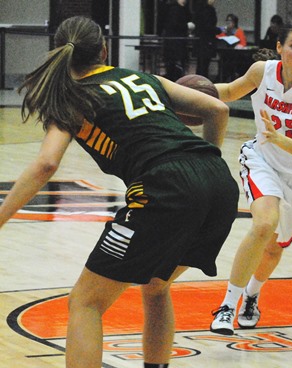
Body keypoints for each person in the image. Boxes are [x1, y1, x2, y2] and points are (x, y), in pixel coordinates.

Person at [0, 16, 239, 368]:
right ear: (104, 49)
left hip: (164, 186)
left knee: (85, 302)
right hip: (219, 183)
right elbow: (217, 109)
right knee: (156, 285)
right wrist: (205, 162)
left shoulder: (69, 97)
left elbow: (46, 165)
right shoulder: (143, 78)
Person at [209, 18, 292, 335]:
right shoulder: (262, 72)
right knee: (263, 224)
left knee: (275, 248)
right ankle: (227, 307)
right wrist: (179, 93)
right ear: (279, 48)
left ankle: (251, 294)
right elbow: (228, 91)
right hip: (262, 159)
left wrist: (281, 139)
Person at [160, 0, 192, 81]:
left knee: (172, 65)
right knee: (175, 65)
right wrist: (186, 26)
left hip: (173, 43)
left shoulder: (172, 8)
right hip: (176, 43)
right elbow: (175, 25)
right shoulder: (176, 9)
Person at [193, 0, 219, 79]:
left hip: (200, 41)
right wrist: (217, 30)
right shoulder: (209, 10)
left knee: (200, 64)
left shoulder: (198, 9)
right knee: (205, 64)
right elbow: (208, 26)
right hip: (207, 40)